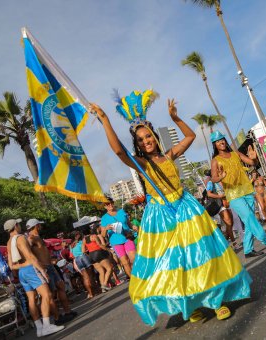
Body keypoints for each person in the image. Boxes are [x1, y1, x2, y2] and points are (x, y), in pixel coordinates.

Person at [91, 91, 251, 325]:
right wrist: (105, 119)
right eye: (141, 140)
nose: (147, 141)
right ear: (137, 145)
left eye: (149, 136)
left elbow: (190, 135)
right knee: (176, 263)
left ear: (154, 136)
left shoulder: (170, 155)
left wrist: (175, 117)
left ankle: (217, 301)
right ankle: (190, 304)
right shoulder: (141, 163)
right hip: (161, 216)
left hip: (186, 209)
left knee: (202, 255)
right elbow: (118, 151)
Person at [210, 131, 266, 258]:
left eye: (222, 139)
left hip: (247, 190)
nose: (221, 142)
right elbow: (213, 178)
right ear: (214, 145)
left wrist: (254, 157)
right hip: (233, 194)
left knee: (248, 221)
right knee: (248, 217)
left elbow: (252, 163)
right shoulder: (215, 160)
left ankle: (248, 250)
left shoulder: (236, 154)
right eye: (218, 141)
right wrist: (220, 177)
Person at [5, 219, 64, 337]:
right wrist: (42, 270)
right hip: (31, 269)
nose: (20, 226)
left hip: (22, 272)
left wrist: (21, 267)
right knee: (46, 295)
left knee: (31, 299)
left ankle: (39, 328)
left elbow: (11, 265)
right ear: (15, 226)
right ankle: (47, 326)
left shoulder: (8, 242)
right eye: (18, 224)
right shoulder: (21, 238)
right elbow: (30, 255)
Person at [26, 219, 76, 325]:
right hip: (44, 268)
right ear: (36, 226)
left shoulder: (38, 237)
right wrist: (39, 266)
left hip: (50, 266)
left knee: (61, 286)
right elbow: (28, 253)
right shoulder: (31, 238)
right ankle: (57, 318)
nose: (40, 226)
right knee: (50, 294)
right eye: (39, 225)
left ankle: (67, 312)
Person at [100, 198, 135, 278]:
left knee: (134, 258)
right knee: (125, 262)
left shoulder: (121, 211)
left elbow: (129, 224)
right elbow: (102, 235)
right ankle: (133, 280)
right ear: (105, 206)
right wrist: (106, 228)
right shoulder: (104, 218)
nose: (110, 205)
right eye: (107, 204)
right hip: (115, 242)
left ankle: (138, 276)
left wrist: (134, 226)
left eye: (111, 203)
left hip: (127, 237)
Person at [204, 171, 237, 248]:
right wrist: (220, 196)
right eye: (217, 172)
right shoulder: (210, 182)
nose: (218, 173)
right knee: (228, 222)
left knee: (231, 223)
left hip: (227, 202)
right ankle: (234, 243)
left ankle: (225, 242)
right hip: (220, 204)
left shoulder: (221, 180)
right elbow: (209, 194)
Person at [82, 223, 114, 292]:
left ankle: (103, 288)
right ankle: (105, 284)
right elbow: (100, 245)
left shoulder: (84, 240)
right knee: (109, 268)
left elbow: (83, 251)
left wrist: (90, 253)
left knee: (101, 272)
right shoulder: (94, 236)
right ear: (89, 230)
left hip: (91, 256)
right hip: (98, 253)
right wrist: (109, 250)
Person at [70, 230, 95, 298]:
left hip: (77, 260)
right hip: (83, 257)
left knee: (85, 277)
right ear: (76, 236)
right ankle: (95, 290)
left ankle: (90, 293)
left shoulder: (71, 246)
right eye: (78, 234)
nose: (79, 235)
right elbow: (86, 249)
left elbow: (71, 256)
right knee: (90, 275)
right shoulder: (81, 242)